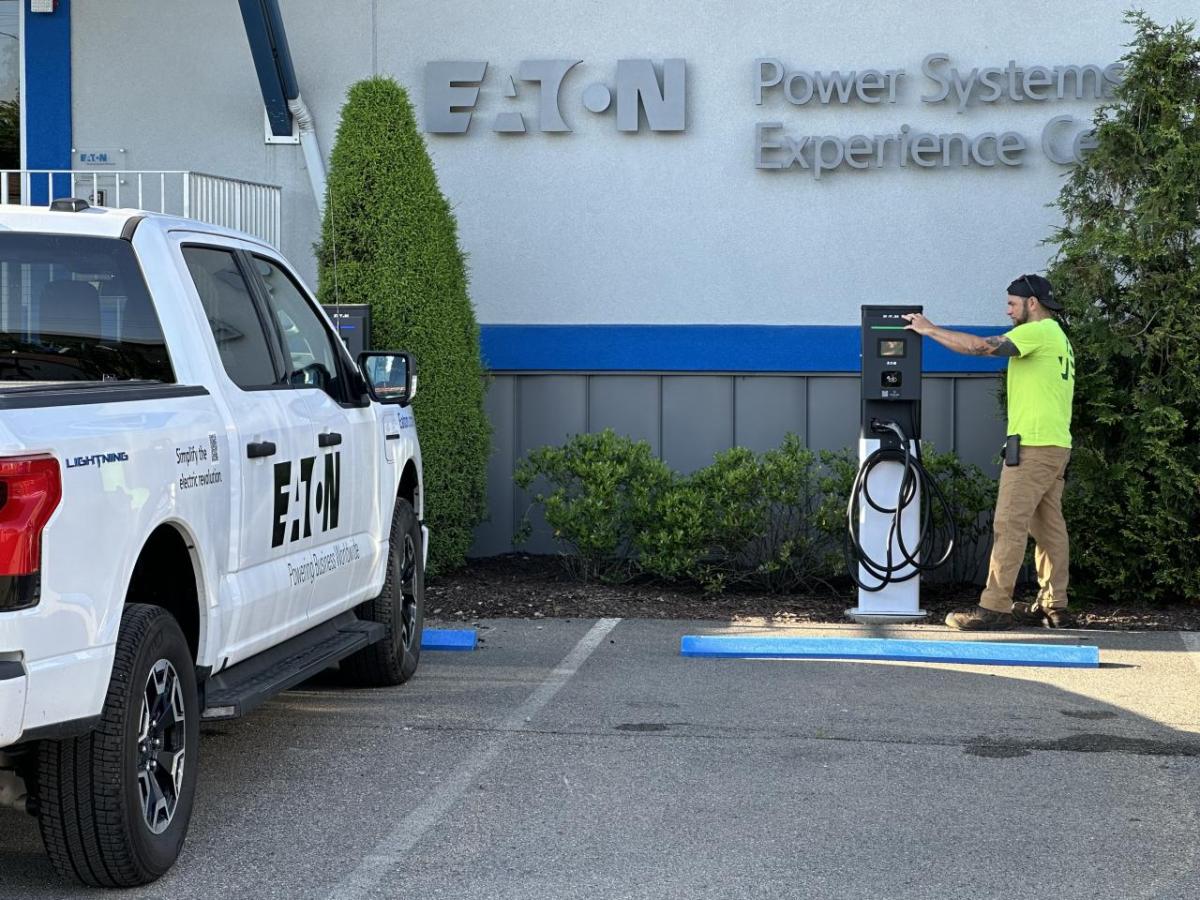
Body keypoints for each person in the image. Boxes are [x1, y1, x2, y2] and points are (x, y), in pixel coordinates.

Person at [902, 274, 1075, 630]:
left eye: (1012, 303)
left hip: (1033, 445)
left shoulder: (1037, 332)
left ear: (1032, 303)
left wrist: (930, 329)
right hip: (1056, 444)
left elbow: (980, 347)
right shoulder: (1059, 337)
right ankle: (1054, 605)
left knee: (1008, 523)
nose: (1007, 310)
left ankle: (994, 608)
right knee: (1049, 527)